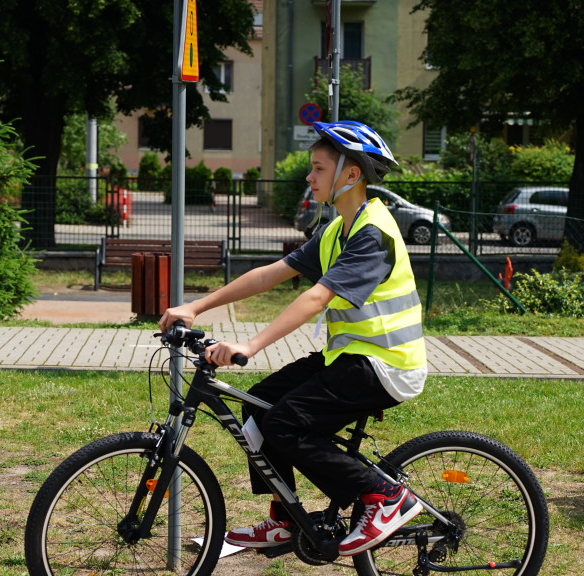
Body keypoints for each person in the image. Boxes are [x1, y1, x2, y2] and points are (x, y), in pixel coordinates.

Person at [158, 120, 427, 555]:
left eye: (319, 168)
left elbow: (317, 298)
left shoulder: (372, 233)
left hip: (387, 366)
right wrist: (195, 306)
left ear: (351, 174)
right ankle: (286, 519)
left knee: (284, 422)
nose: (309, 176)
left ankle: (385, 495)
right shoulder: (336, 231)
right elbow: (269, 275)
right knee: (258, 406)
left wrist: (250, 345)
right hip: (351, 359)